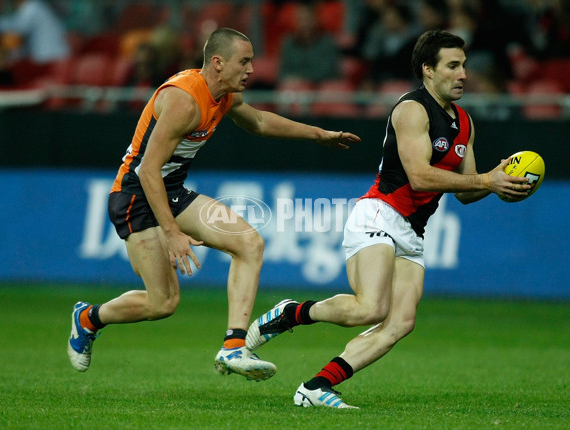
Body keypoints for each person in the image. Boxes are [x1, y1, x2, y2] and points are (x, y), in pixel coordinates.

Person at [246, 30, 532, 407]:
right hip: (379, 213)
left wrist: (497, 183)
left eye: (463, 65)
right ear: (428, 70)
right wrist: (484, 179)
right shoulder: (411, 109)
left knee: (400, 322)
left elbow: (464, 193)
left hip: (412, 232)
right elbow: (420, 175)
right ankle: (291, 313)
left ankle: (316, 388)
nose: (463, 73)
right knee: (371, 308)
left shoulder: (465, 122)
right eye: (453, 65)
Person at [67, 28, 360, 381]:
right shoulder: (184, 100)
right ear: (218, 63)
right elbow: (147, 171)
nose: (252, 68)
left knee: (248, 242)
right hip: (136, 196)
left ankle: (234, 346)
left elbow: (261, 122)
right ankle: (87, 318)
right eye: (245, 61)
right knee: (163, 304)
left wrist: (319, 134)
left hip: (170, 189)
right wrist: (172, 232)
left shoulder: (224, 96)